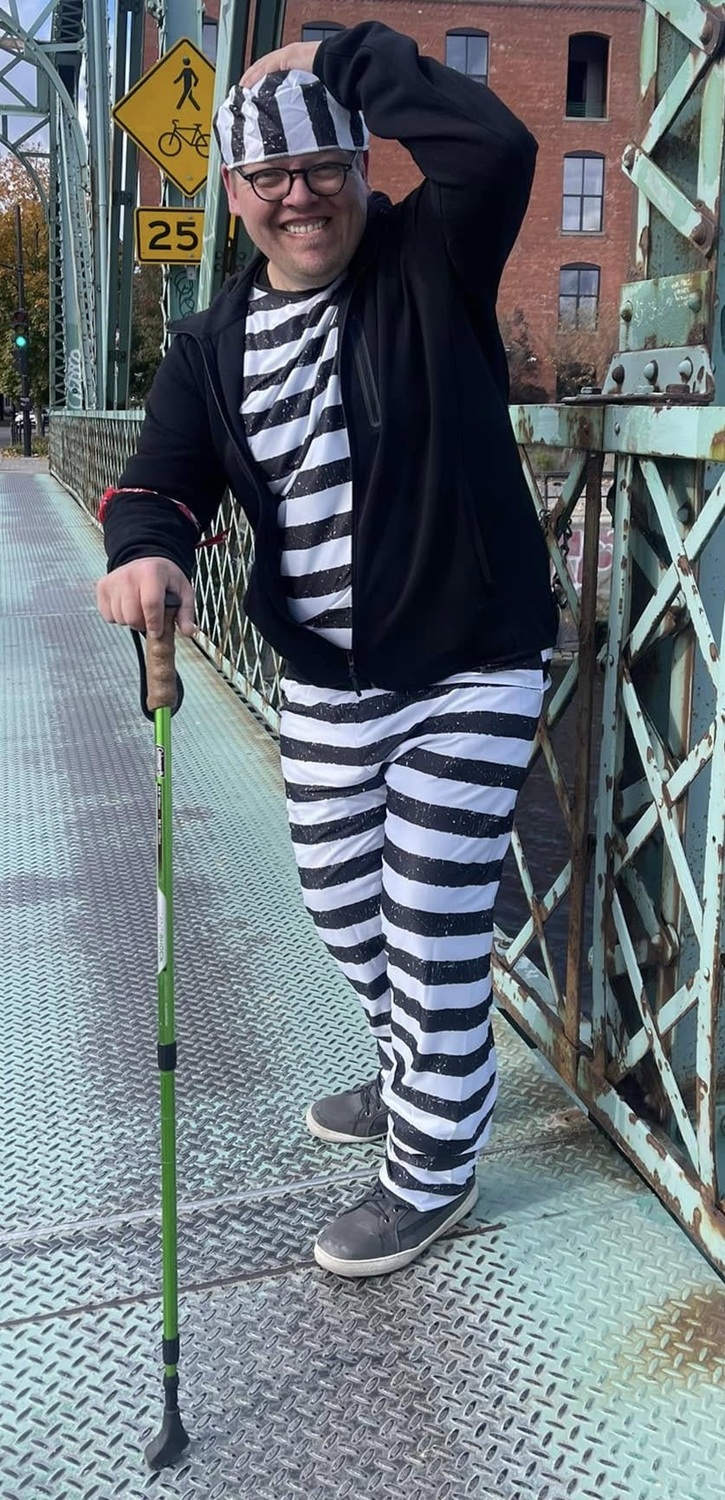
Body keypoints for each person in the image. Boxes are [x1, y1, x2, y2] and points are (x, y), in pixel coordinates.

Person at [97, 22, 558, 1280]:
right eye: (268, 176)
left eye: (322, 168)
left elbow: (493, 146)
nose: (297, 196)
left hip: (469, 653)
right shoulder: (208, 346)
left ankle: (431, 1165)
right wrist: (145, 550)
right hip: (326, 675)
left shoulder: (429, 259)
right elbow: (158, 482)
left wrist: (338, 55)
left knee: (428, 915)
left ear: (361, 170)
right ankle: (414, 1071)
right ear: (234, 193)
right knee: (345, 909)